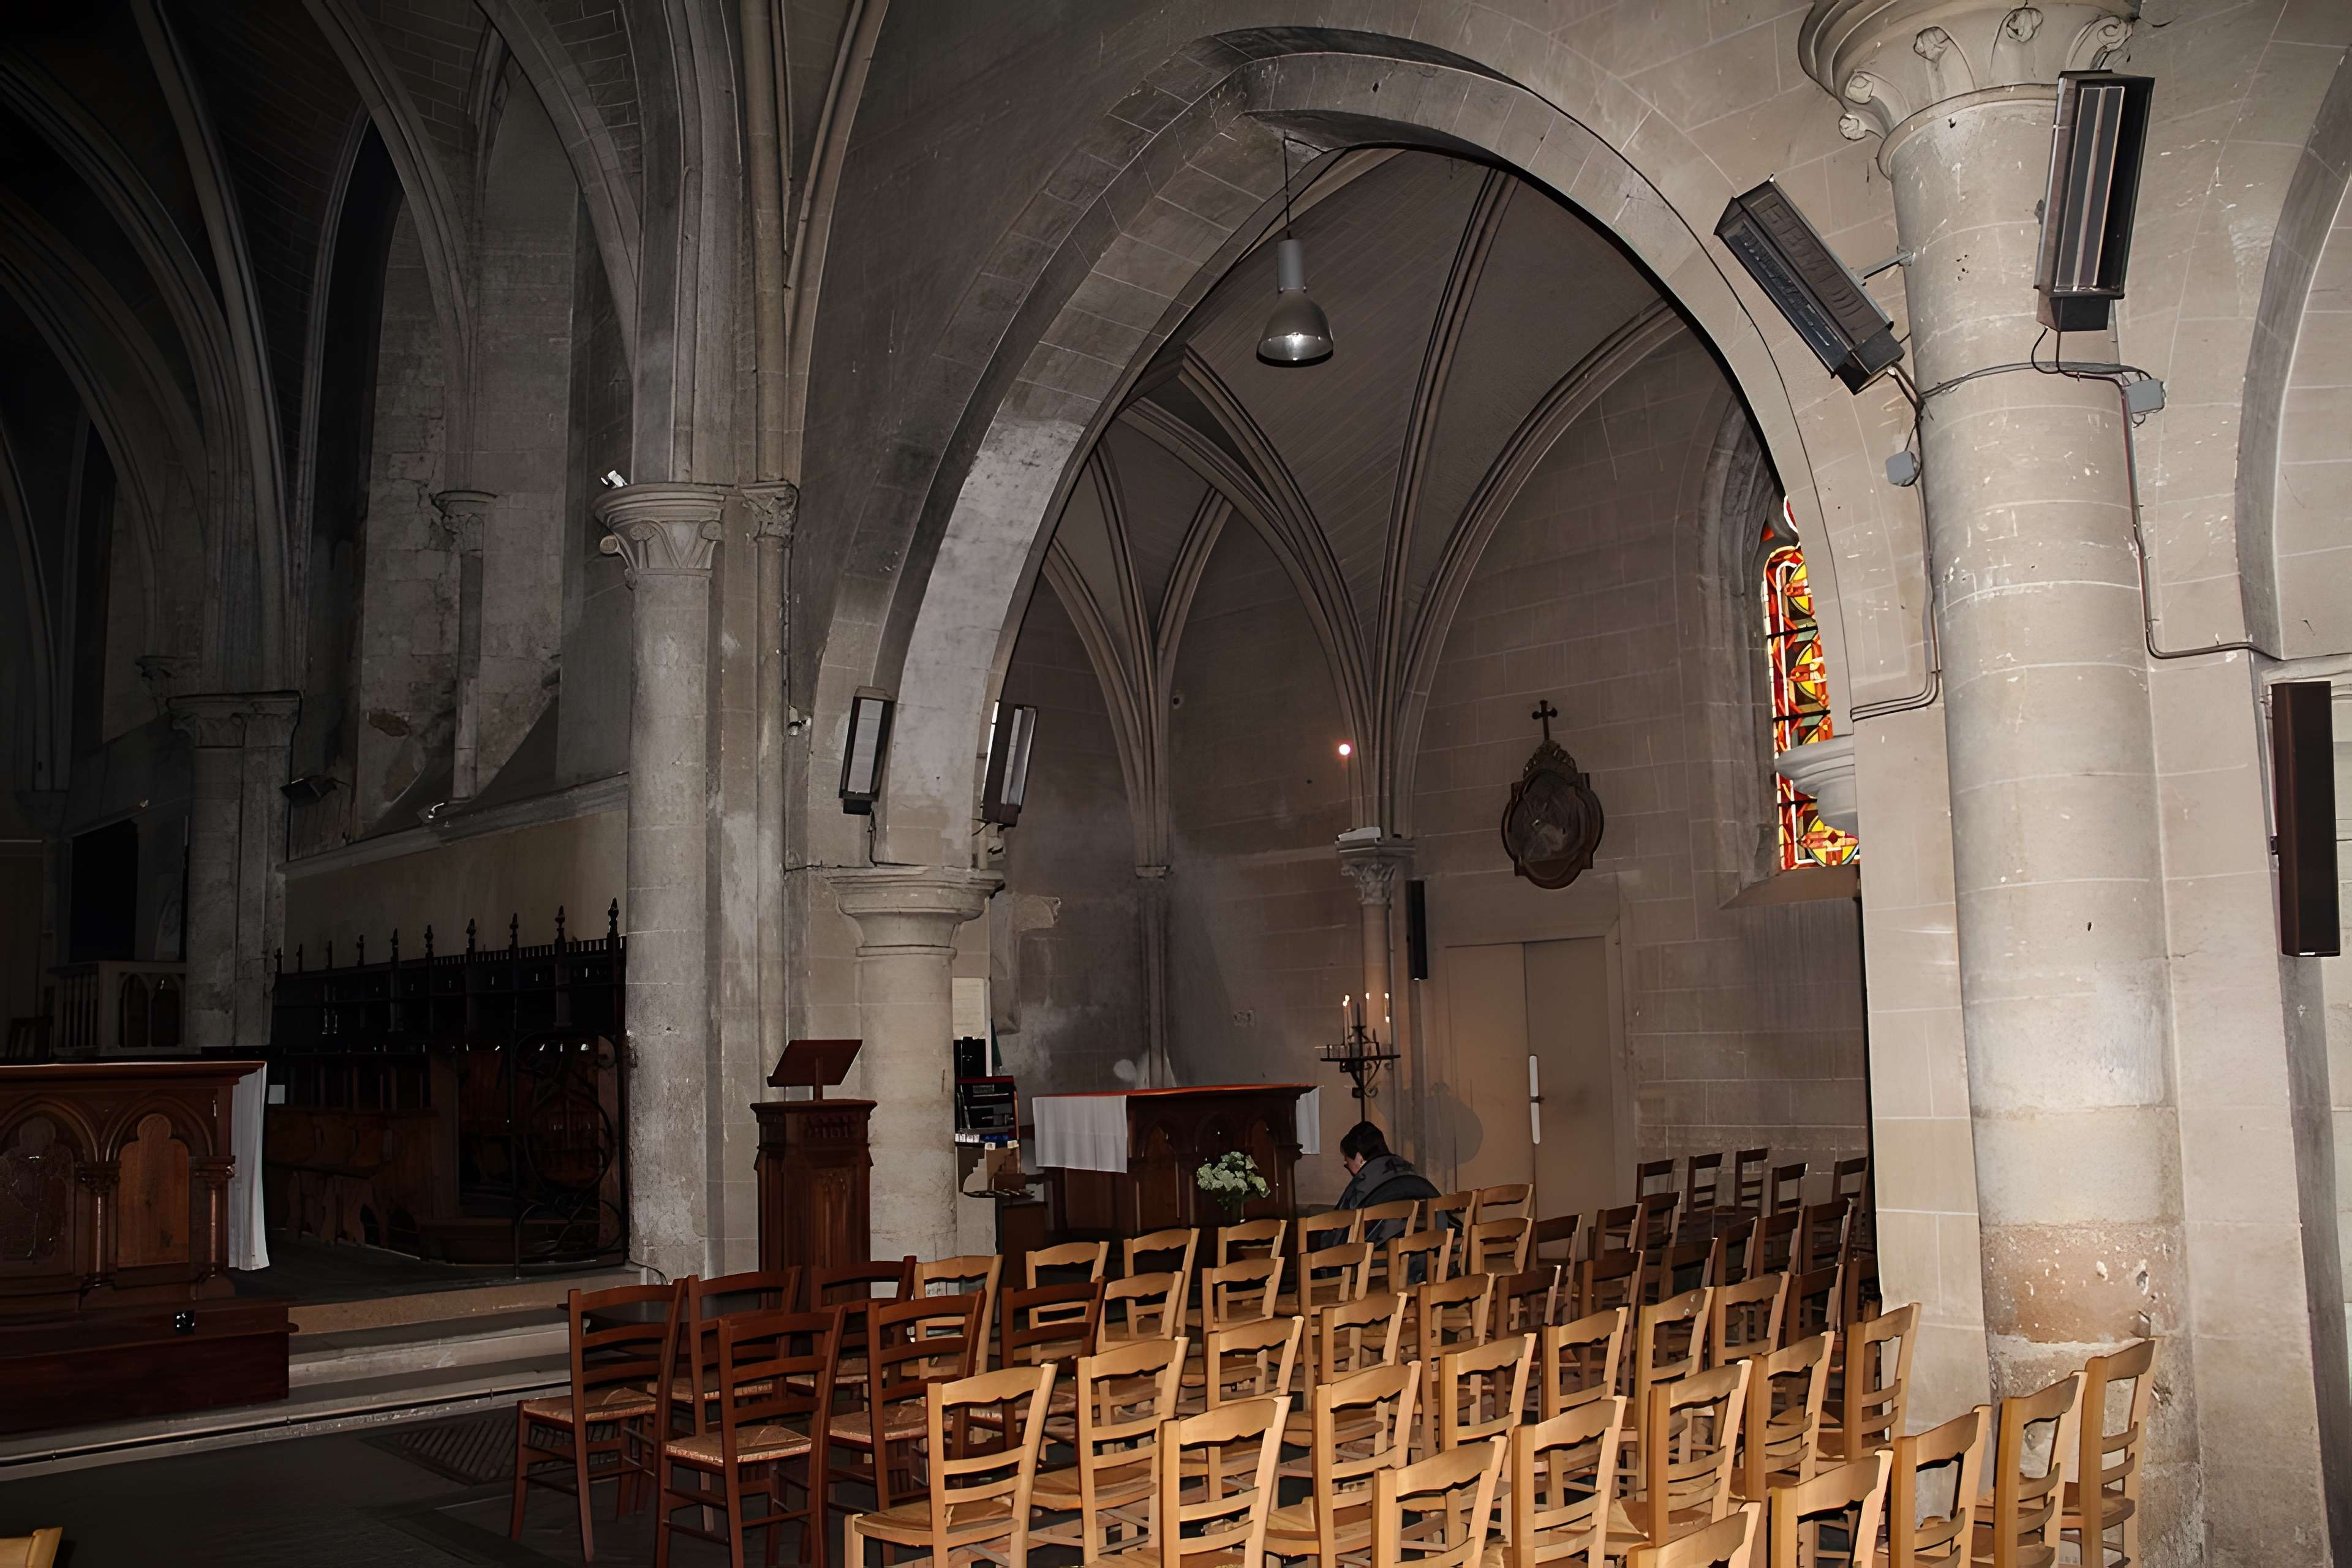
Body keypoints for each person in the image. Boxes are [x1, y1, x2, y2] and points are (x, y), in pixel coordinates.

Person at [1330, 1120, 1442, 1245]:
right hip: (1431, 1251)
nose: (1346, 1165)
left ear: (1359, 1158)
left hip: (1384, 1257)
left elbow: (1338, 1228)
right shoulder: (1409, 1169)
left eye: (1347, 1161)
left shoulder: (1362, 1182)